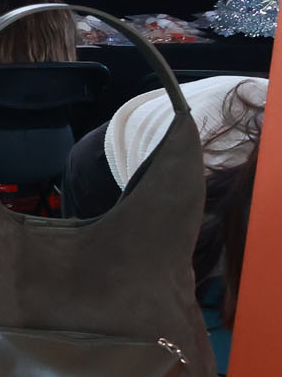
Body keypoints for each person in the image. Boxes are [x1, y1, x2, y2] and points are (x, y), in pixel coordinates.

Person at [65, 75, 265, 321]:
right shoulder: (208, 171)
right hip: (111, 155)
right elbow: (167, 268)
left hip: (193, 136)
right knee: (107, 295)